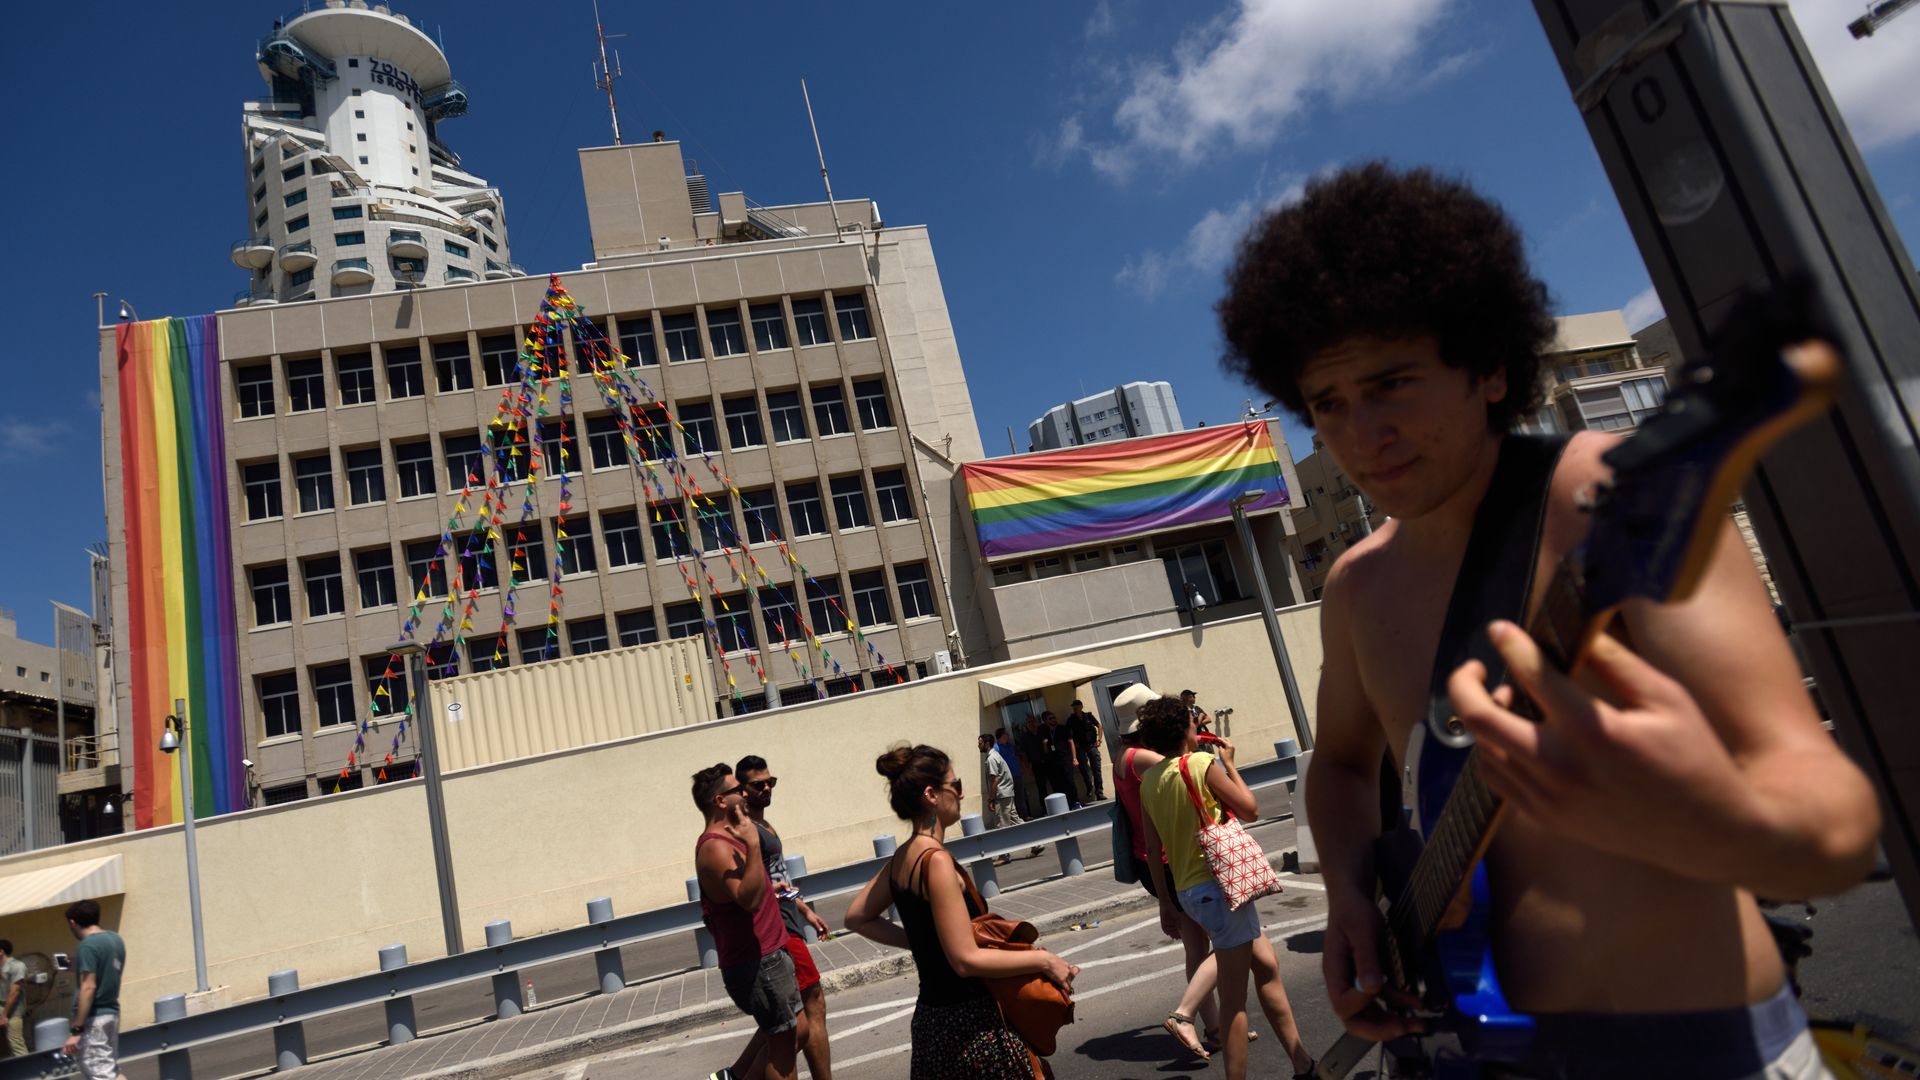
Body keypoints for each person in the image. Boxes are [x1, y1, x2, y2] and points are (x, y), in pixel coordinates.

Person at [1218, 161, 1882, 1077]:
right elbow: (1338, 763)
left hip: (1703, 1040)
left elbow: (1836, 830)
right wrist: (1353, 903)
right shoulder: (1356, 588)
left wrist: (1716, 814)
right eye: (1328, 404)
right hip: (1465, 1047)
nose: (1361, 434)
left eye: (1393, 383)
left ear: (1490, 369)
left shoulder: (1607, 498)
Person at [846, 744, 1077, 1079]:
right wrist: (1045, 960)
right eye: (955, 785)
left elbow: (856, 917)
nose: (962, 792)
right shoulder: (935, 861)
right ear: (931, 795)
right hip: (972, 1027)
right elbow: (966, 959)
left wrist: (925, 943)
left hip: (931, 1023)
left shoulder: (902, 857)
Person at [1108, 684, 1231, 1060]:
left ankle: (1215, 1029)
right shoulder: (1146, 759)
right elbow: (1185, 769)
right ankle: (1194, 1019)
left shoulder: (1123, 757)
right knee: (1219, 943)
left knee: (1198, 945)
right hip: (1168, 861)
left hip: (1154, 862)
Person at [712, 756, 834, 1080]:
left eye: (771, 782)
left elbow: (780, 877)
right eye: (758, 784)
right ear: (742, 789)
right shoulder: (745, 830)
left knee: (784, 1020)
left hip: (789, 921)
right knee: (810, 1007)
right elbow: (755, 885)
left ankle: (734, 1075)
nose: (767, 788)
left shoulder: (765, 825)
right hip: (776, 930)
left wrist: (804, 908)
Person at [691, 763, 809, 1080]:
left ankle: (736, 1077)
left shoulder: (729, 838)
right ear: (719, 801)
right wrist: (754, 844)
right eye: (736, 790)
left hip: (770, 954)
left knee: (799, 1032)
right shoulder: (715, 846)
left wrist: (773, 889)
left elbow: (745, 892)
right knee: (783, 1052)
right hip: (757, 963)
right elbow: (747, 899)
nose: (744, 793)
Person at [61, 899, 124, 1080]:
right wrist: (75, 964)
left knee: (100, 1073)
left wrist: (76, 1030)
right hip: (111, 1012)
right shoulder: (115, 939)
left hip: (94, 1017)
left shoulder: (87, 945)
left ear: (73, 922)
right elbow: (106, 968)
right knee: (110, 1071)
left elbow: (89, 986)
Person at [1065, 700, 1106, 801]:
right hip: (1080, 748)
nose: (1075, 708)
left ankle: (1099, 792)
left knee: (1096, 769)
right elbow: (1069, 736)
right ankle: (1089, 787)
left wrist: (1099, 740)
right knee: (1084, 770)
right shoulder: (1071, 720)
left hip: (1092, 745)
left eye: (1077, 706)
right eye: (1073, 707)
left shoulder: (1088, 716)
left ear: (1081, 707)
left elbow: (1099, 725)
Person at [994, 728, 1037, 820]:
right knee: (1010, 799)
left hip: (1017, 774)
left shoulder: (1010, 746)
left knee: (1021, 796)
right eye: (1006, 734)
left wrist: (1024, 769)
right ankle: (1014, 819)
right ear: (1001, 736)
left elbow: (1018, 757)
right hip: (1006, 778)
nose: (1008, 736)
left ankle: (1024, 816)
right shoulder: (996, 748)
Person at [1040, 712, 1081, 810]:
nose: (1053, 720)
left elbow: (1071, 743)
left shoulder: (1063, 729)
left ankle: (1076, 801)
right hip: (1053, 762)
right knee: (1058, 783)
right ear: (1046, 721)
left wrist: (1074, 758)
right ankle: (1065, 803)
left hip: (1065, 759)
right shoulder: (1044, 732)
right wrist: (1045, 744)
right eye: (1050, 718)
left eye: (1054, 717)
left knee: (1069, 781)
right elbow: (1045, 751)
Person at [0, 938, 28, 1058]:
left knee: (16, 1044)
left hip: (13, 1012)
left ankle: (27, 1072)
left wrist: (4, 1015)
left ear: (1, 951)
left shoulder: (17, 966)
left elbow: (14, 992)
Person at [1016, 715, 1051, 807]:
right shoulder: (1024, 737)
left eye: (1033, 721)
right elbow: (1023, 753)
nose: (1032, 724)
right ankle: (1045, 808)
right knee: (1041, 788)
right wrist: (1028, 767)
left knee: (1055, 783)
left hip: (1048, 762)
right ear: (1026, 725)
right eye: (1029, 722)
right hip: (1036, 764)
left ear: (1037, 722)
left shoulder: (1043, 732)